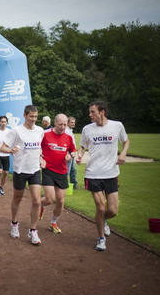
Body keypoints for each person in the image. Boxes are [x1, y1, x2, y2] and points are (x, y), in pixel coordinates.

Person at [76, 101, 130, 251]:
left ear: (102, 112)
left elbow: (126, 141)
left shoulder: (117, 126)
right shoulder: (87, 129)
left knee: (112, 210)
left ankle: (103, 221)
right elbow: (82, 146)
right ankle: (101, 239)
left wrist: (123, 153)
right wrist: (79, 156)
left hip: (111, 173)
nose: (90, 115)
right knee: (100, 207)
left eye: (93, 112)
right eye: (90, 112)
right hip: (93, 174)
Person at [0, 105, 44, 245]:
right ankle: (14, 223)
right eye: (31, 116)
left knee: (37, 201)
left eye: (36, 117)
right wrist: (10, 150)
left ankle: (33, 230)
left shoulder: (40, 131)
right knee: (17, 198)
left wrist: (42, 158)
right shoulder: (16, 131)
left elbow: (40, 148)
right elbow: (2, 147)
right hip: (20, 170)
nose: (34, 119)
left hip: (35, 170)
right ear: (25, 115)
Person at [39, 114, 76, 234]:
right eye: (60, 124)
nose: (63, 127)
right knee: (50, 199)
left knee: (60, 201)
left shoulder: (68, 137)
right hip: (48, 169)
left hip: (62, 171)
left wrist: (70, 155)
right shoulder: (45, 134)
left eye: (65, 124)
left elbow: (73, 151)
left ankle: (53, 222)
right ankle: (40, 205)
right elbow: (36, 147)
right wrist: (40, 157)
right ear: (55, 123)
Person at [66, 116, 78, 189]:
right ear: (67, 123)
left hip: (72, 153)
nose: (73, 124)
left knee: (73, 169)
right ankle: (65, 185)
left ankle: (73, 184)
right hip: (69, 153)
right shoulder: (67, 131)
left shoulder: (70, 131)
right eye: (71, 122)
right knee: (68, 170)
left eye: (74, 122)